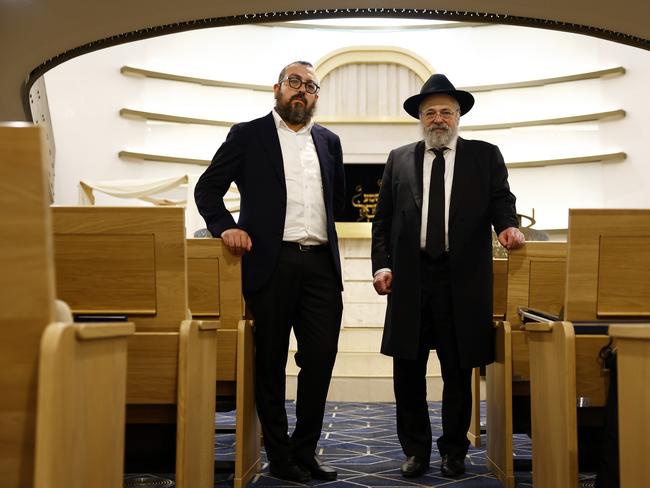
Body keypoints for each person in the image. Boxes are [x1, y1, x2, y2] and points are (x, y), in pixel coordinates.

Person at [194, 61, 345, 483]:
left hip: (320, 265)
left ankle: (305, 449)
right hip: (270, 263)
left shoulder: (329, 141)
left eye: (310, 86)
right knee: (271, 361)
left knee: (321, 357)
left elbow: (337, 199)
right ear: (277, 88)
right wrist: (227, 227)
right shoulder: (247, 135)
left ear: (315, 97)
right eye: (294, 83)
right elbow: (208, 189)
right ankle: (279, 455)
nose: (302, 91)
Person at [371, 74, 525, 478]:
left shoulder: (485, 155)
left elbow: (500, 200)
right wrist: (381, 264)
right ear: (420, 119)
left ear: (458, 117)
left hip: (464, 280)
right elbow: (382, 220)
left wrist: (507, 226)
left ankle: (454, 450)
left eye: (446, 112)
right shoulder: (399, 158)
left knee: (459, 370)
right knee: (407, 370)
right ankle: (416, 451)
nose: (438, 119)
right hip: (410, 280)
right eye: (430, 113)